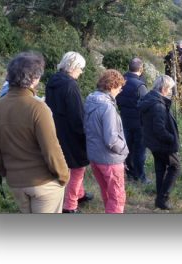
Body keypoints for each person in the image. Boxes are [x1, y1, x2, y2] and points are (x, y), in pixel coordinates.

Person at [0, 52, 69, 213]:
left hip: (16, 182)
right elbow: (51, 148)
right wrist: (64, 175)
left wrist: (6, 172)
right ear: (35, 79)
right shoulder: (38, 108)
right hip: (44, 183)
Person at [45, 51, 93, 214]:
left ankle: (80, 193)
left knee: (66, 164)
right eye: (81, 68)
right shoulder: (70, 85)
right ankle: (70, 205)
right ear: (74, 67)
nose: (82, 71)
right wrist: (84, 133)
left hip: (56, 128)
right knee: (78, 167)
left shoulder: (53, 80)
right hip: (71, 132)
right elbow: (76, 114)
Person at [84, 70, 128, 213]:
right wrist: (125, 149)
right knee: (117, 197)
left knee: (107, 193)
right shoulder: (107, 107)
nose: (120, 90)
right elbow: (111, 139)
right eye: (120, 87)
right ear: (112, 86)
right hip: (110, 159)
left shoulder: (90, 100)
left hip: (95, 157)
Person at [138, 75, 181, 210]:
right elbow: (159, 129)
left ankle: (159, 198)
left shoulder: (149, 99)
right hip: (162, 144)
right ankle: (163, 198)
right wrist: (172, 138)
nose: (170, 92)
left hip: (152, 142)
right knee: (176, 167)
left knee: (160, 168)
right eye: (170, 89)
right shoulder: (158, 105)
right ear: (163, 89)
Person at [115, 58, 150, 183]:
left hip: (124, 119)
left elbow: (116, 99)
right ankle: (140, 176)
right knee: (140, 150)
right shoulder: (140, 85)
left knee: (127, 149)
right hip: (139, 122)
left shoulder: (120, 81)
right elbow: (147, 105)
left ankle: (129, 173)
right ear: (140, 69)